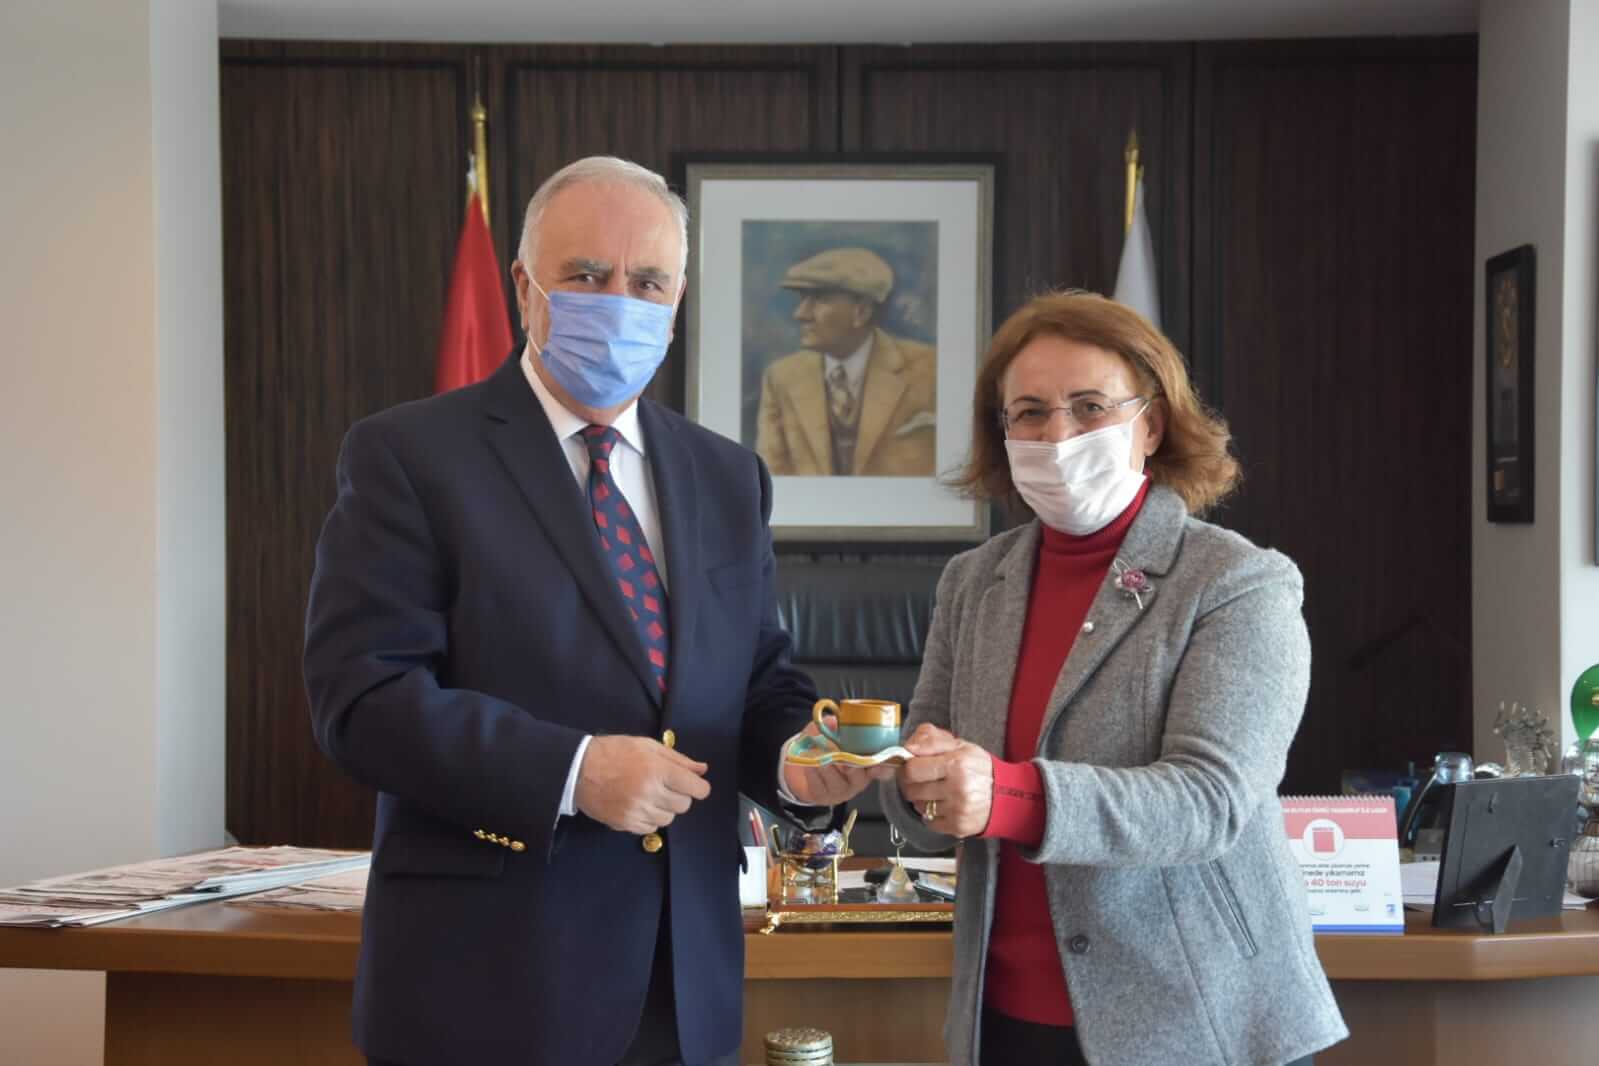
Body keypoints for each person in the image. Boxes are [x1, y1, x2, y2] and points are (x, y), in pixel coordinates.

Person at [303, 156, 876, 1066]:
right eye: (585, 275)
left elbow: (758, 679)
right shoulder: (409, 455)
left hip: (682, 981)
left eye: (646, 282)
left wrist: (799, 762)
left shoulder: (727, 476)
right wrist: (570, 771)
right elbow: (361, 702)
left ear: (676, 300)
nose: (619, 302)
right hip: (486, 981)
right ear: (522, 288)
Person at [880, 291, 1348, 1066]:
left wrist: (1006, 794)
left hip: (1192, 1018)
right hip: (1002, 1016)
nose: (1057, 435)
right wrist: (890, 774)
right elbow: (925, 785)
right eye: (1029, 413)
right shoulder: (973, 580)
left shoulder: (1236, 581)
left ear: (1151, 425)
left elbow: (1209, 802)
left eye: (1089, 407)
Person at [754, 246, 937, 477]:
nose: (800, 313)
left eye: (819, 300)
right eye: (802, 299)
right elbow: (771, 476)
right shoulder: (781, 378)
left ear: (861, 311)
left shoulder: (929, 369)